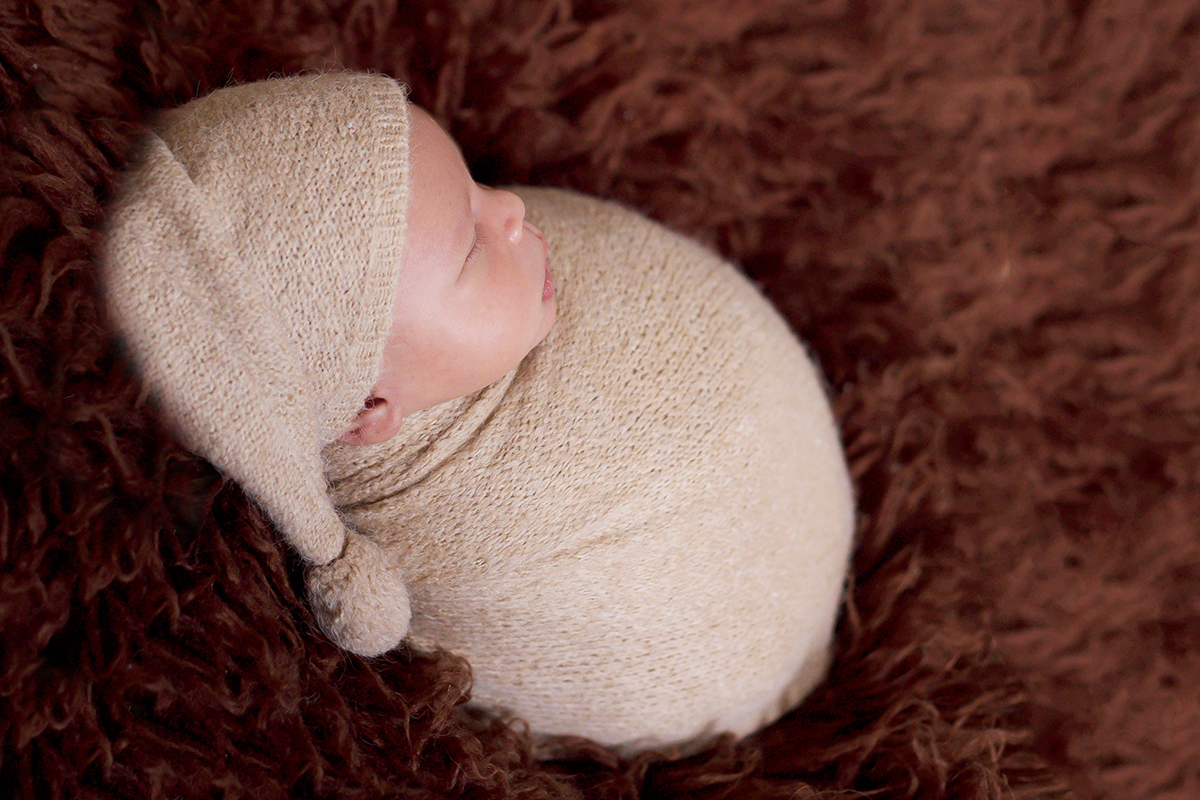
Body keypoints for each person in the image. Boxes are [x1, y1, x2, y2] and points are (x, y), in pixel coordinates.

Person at [102, 72, 855, 756]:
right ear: (368, 409)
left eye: (474, 181)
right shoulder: (463, 499)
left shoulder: (436, 302)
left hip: (794, 500)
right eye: (471, 247)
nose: (512, 209)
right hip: (716, 669)